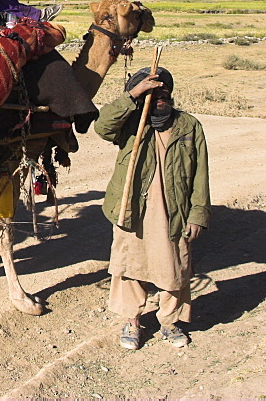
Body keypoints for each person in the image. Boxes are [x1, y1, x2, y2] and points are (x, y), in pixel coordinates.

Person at [94, 66, 211, 350]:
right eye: (152, 93)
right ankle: (132, 321)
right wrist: (133, 96)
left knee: (175, 267)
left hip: (173, 211)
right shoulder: (132, 124)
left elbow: (200, 174)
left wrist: (198, 214)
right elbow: (102, 126)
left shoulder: (188, 126)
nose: (160, 97)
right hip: (132, 208)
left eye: (164, 93)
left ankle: (170, 322)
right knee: (129, 266)